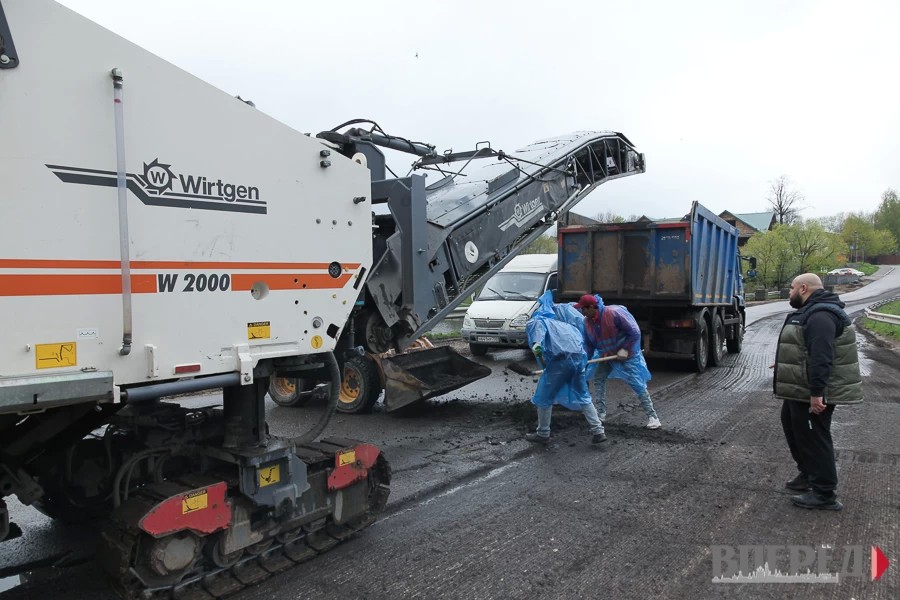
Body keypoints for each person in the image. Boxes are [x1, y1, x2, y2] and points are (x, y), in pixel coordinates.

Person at [774, 273, 862, 511]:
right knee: (794, 428)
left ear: (803, 288)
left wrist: (817, 393)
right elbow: (805, 347)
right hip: (799, 388)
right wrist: (785, 361)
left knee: (814, 437)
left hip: (811, 389)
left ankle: (824, 493)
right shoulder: (812, 311)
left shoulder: (821, 315)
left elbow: (822, 355)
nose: (789, 292)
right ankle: (808, 474)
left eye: (791, 288)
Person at [525, 291, 607, 445]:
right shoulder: (568, 326)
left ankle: (543, 433)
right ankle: (598, 431)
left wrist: (540, 356)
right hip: (577, 362)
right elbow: (581, 348)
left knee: (544, 397)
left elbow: (537, 345)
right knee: (583, 396)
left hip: (559, 362)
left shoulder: (538, 321)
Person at [574, 294, 661, 430]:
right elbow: (589, 345)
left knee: (636, 382)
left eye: (583, 309)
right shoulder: (587, 322)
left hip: (626, 354)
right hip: (606, 354)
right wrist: (585, 360)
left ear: (591, 307)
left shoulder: (612, 314)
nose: (581, 312)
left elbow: (634, 332)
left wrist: (625, 350)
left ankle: (653, 416)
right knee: (599, 379)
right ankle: (600, 413)